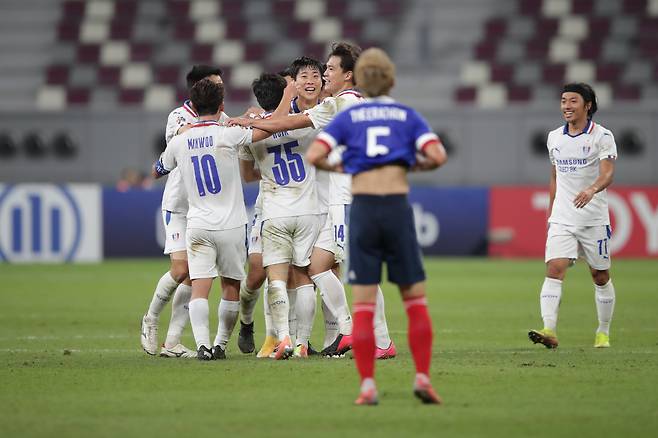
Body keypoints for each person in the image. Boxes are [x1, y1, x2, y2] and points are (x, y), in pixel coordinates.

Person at [230, 42, 396, 359]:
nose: (324, 74)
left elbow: (291, 123)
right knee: (322, 268)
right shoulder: (352, 101)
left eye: (329, 69)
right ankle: (348, 336)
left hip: (346, 198)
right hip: (338, 199)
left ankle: (373, 339)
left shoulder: (337, 104)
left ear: (348, 75)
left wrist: (251, 121)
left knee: (344, 271)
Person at [306, 48, 447, 405]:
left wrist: (346, 167)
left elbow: (315, 155)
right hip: (397, 208)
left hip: (364, 209)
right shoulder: (406, 114)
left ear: (360, 78)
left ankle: (368, 385)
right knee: (416, 301)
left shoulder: (348, 117)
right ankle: (423, 378)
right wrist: (408, 166)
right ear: (392, 79)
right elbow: (438, 156)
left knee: (364, 304)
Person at [153, 78, 271, 360]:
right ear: (221, 107)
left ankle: (203, 346)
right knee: (230, 285)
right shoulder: (227, 134)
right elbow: (263, 133)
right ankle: (219, 345)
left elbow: (158, 170)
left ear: (193, 106)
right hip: (231, 223)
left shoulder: (181, 140)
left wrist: (182, 140)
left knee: (200, 287)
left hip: (197, 224)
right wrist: (252, 118)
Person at [239, 69, 323, 360]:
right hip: (308, 210)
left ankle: (279, 338)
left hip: (274, 211)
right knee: (303, 277)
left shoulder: (252, 132)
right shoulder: (305, 124)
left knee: (273, 277)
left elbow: (248, 175)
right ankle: (302, 343)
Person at [141, 65, 224, 358]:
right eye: (216, 85)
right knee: (180, 270)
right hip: (179, 205)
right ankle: (151, 318)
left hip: (205, 209)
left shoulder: (222, 118)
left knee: (195, 276)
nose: (221, 90)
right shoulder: (178, 116)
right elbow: (179, 136)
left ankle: (172, 342)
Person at [528, 83, 618, 350]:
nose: (566, 106)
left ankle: (603, 332)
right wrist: (550, 210)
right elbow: (555, 176)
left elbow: (608, 173)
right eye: (563, 100)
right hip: (562, 217)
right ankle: (549, 330)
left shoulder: (602, 136)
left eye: (573, 101)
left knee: (600, 275)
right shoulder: (554, 137)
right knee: (554, 268)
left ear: (587, 105)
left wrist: (592, 189)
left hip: (593, 218)